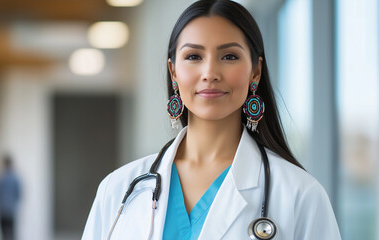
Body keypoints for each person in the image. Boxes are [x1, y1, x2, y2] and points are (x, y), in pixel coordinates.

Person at [81, 0, 341, 239]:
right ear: (173, 71)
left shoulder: (300, 194)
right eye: (194, 56)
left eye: (229, 56)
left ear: (256, 71)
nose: (210, 73)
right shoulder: (119, 189)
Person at [0, 155, 21, 240]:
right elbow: (18, 194)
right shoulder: (14, 178)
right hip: (10, 210)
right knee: (11, 234)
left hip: (2, 210)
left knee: (4, 234)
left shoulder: (0, 178)